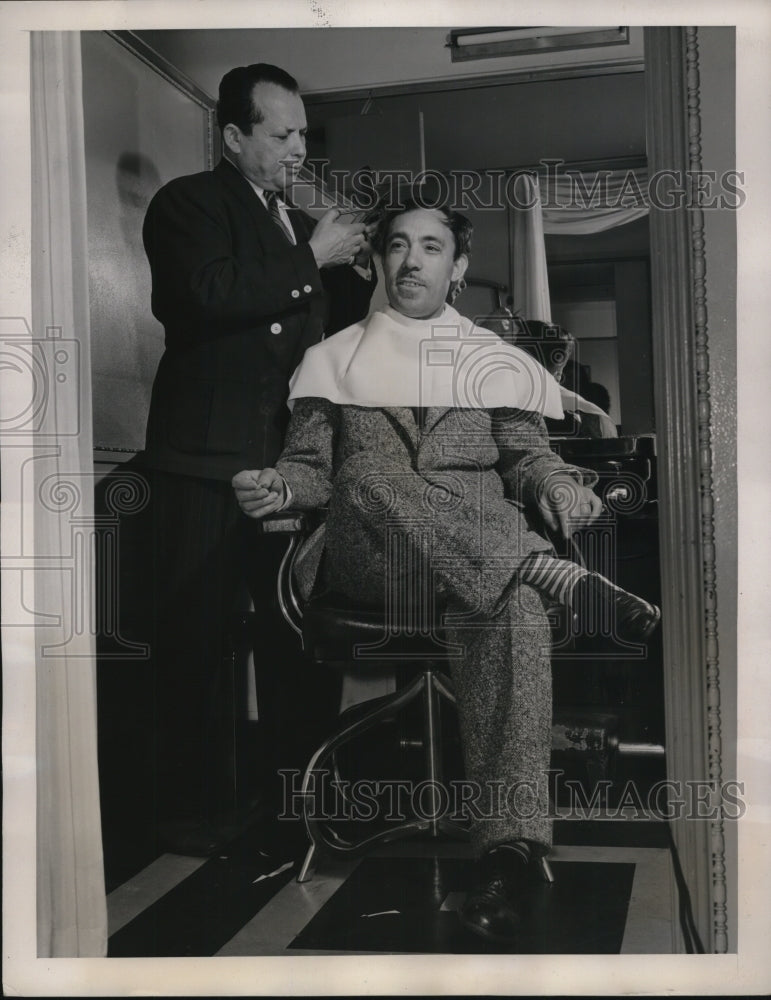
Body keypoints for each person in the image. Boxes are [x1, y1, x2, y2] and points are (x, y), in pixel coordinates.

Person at [233, 195, 660, 941]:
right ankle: (548, 572)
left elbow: (527, 460)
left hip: (476, 565)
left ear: (456, 268)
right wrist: (279, 486)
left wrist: (559, 486)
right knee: (369, 477)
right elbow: (310, 470)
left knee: (513, 607)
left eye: (430, 247)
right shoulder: (330, 359)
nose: (410, 260)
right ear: (375, 260)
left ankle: (508, 853)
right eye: (397, 245)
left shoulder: (498, 364)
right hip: (375, 558)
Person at [140, 63, 377, 855]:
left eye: (303, 133)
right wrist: (312, 254)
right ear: (233, 136)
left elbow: (307, 334)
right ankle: (190, 815)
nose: (297, 148)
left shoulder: (285, 221)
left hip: (285, 467)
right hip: (203, 464)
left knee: (293, 637)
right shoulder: (186, 205)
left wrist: (354, 272)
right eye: (280, 134)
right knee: (196, 645)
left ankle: (298, 800)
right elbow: (203, 297)